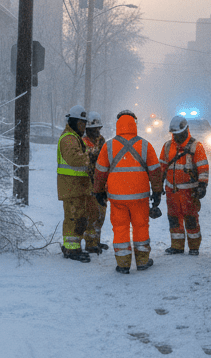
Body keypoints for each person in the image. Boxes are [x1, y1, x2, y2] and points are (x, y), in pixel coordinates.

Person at [93, 110, 163, 274]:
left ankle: (123, 263)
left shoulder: (108, 146)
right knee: (141, 227)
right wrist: (157, 191)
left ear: (118, 124)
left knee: (120, 228)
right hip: (140, 196)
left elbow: (100, 172)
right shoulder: (145, 145)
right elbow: (155, 171)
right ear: (134, 124)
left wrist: (98, 192)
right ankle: (142, 261)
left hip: (117, 197)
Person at [159, 115, 210, 255]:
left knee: (191, 219)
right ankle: (177, 246)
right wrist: (157, 187)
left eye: (179, 134)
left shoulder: (195, 146)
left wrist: (202, 185)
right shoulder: (167, 146)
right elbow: (162, 168)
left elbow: (203, 167)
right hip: (172, 192)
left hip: (189, 192)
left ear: (186, 130)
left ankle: (194, 247)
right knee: (174, 219)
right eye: (174, 134)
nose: (176, 137)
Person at [57, 105, 94, 262]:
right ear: (72, 121)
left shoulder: (74, 138)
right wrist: (91, 157)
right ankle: (72, 250)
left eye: (84, 123)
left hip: (76, 187)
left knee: (78, 217)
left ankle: (73, 247)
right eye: (81, 123)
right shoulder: (68, 139)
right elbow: (74, 159)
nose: (84, 126)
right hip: (72, 187)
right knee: (73, 218)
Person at [82, 111, 108, 254]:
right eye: (94, 129)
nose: (97, 131)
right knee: (92, 215)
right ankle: (90, 243)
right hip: (89, 183)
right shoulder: (84, 142)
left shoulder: (102, 140)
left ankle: (96, 240)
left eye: (98, 128)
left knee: (100, 214)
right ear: (88, 129)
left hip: (102, 183)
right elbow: (89, 160)